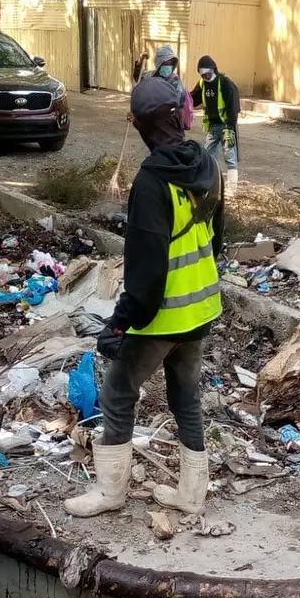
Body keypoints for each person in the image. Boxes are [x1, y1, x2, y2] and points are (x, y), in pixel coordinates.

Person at [66, 77, 223, 519]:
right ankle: (192, 495)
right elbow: (218, 240)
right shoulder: (207, 165)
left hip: (162, 315)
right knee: (186, 398)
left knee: (118, 394)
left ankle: (110, 492)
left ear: (139, 125)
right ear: (181, 117)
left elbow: (147, 272)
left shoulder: (152, 183)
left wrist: (120, 323)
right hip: (201, 309)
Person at [191, 55, 240, 194]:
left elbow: (233, 106)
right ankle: (208, 186)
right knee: (207, 156)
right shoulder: (202, 84)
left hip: (226, 127)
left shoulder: (225, 83)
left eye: (207, 74)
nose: (206, 77)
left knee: (230, 157)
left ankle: (232, 190)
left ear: (214, 69)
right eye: (203, 75)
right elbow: (193, 99)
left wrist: (230, 128)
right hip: (212, 128)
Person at [141, 44, 193, 130]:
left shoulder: (176, 82)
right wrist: (140, 61)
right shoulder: (152, 76)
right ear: (159, 63)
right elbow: (140, 76)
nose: (168, 67)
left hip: (171, 126)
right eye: (165, 64)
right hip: (154, 126)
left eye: (171, 64)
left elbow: (176, 104)